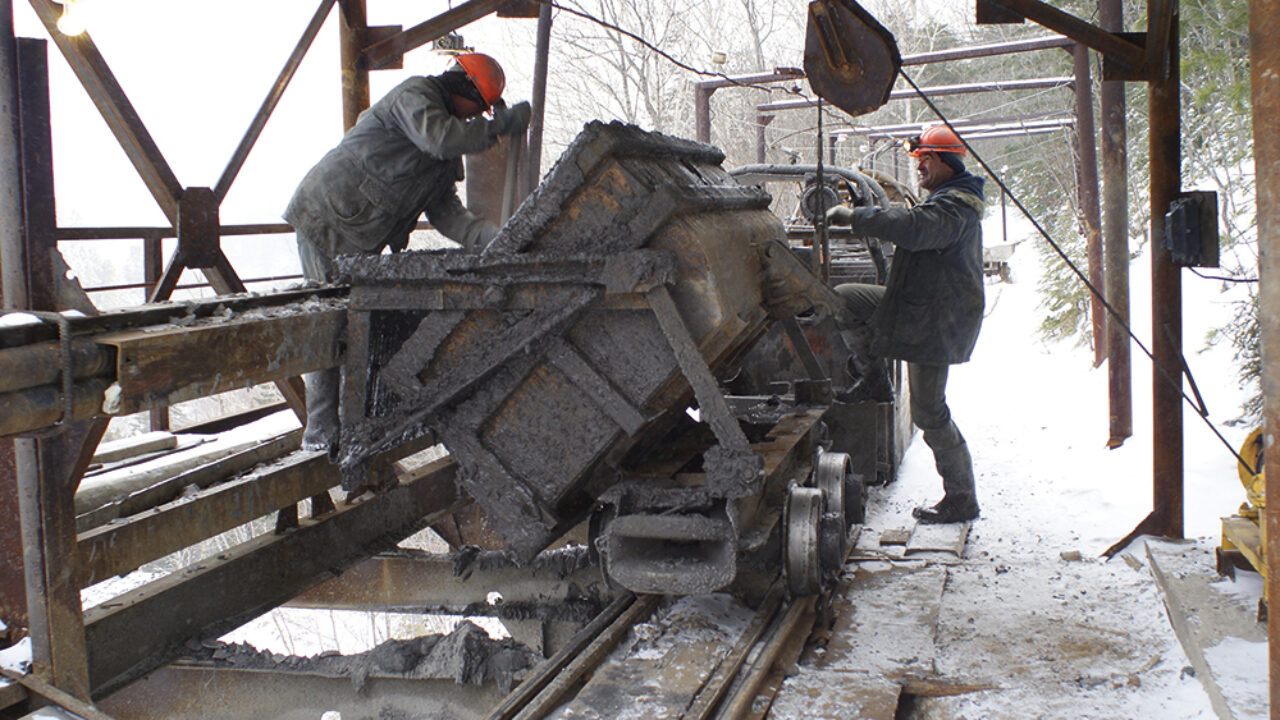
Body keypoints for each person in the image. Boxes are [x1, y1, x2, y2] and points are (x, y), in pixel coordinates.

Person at [285, 52, 532, 454]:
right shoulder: (415, 96)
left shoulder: (449, 144)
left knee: (353, 328)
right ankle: (319, 434)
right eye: (479, 110)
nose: (476, 118)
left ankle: (351, 427)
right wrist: (497, 128)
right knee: (329, 326)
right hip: (326, 216)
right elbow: (438, 137)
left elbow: (447, 213)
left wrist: (499, 240)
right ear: (464, 90)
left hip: (359, 236)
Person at [826, 124, 985, 524]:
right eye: (919, 160)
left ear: (948, 161)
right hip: (918, 307)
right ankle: (875, 380)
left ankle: (961, 497)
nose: (920, 166)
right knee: (844, 298)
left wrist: (856, 216)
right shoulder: (945, 198)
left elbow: (915, 230)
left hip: (938, 320)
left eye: (927, 159)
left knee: (929, 412)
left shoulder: (955, 207)